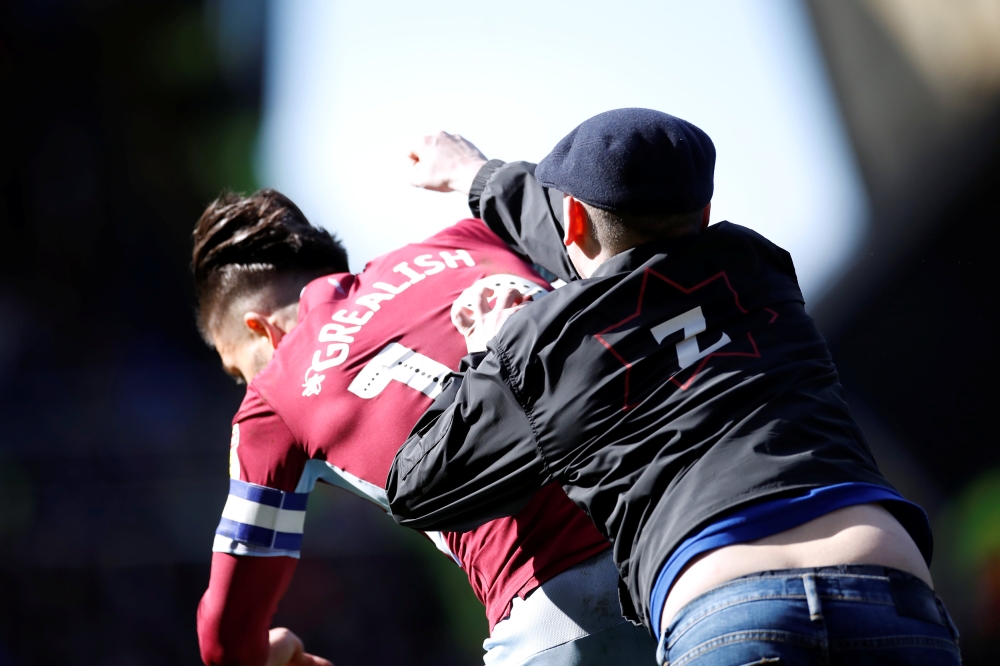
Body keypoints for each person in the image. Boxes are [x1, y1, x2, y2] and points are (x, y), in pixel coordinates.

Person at [386, 109, 962, 665]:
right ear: (705, 211)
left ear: (573, 220)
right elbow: (605, 240)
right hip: (891, 585)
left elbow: (418, 489)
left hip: (727, 610)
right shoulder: (757, 269)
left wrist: (486, 350)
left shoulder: (542, 346)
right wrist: (477, 177)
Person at [191, 188, 658, 665]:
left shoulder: (272, 395)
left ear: (261, 330)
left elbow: (226, 643)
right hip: (686, 532)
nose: (246, 384)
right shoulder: (468, 239)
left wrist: (265, 655)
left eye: (238, 372)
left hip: (563, 612)